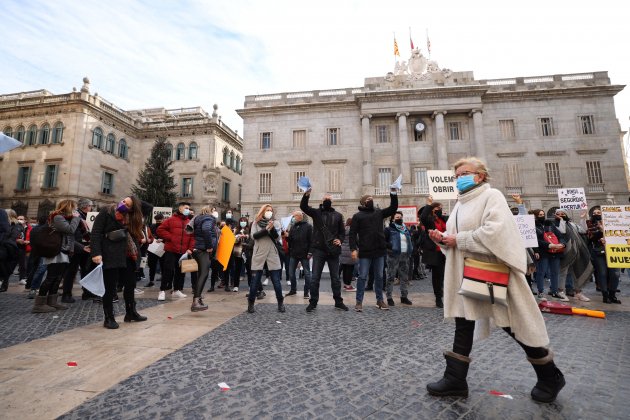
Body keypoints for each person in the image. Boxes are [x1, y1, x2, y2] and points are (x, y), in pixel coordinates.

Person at [426, 157, 565, 404]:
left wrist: (460, 240)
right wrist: (442, 237)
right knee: (464, 320)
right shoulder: (459, 204)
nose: (459, 178)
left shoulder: (492, 197)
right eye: (456, 175)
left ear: (480, 175)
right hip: (465, 272)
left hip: (492, 271)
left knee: (511, 323)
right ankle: (455, 379)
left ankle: (549, 375)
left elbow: (496, 232)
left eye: (464, 173)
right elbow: (457, 236)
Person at [91, 196, 148, 329]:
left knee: (130, 284)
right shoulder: (107, 211)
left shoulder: (133, 218)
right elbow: (96, 232)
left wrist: (135, 201)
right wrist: (96, 253)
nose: (123, 204)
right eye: (123, 201)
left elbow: (148, 207)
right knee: (110, 287)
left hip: (128, 254)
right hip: (110, 253)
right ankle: (109, 317)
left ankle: (131, 313)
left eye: (127, 204)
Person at [349, 188, 398, 312]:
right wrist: (353, 248)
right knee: (362, 276)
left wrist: (393, 193)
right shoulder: (357, 216)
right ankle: (359, 302)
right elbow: (352, 234)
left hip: (379, 250)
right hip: (365, 251)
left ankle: (380, 300)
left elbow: (393, 208)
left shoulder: (379, 213)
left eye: (372, 199)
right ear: (363, 202)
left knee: (380, 276)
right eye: (368, 199)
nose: (371, 200)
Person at [300, 190, 348, 312]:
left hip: (333, 250)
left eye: (329, 199)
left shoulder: (338, 215)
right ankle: (313, 302)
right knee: (315, 277)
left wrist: (340, 240)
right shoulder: (316, 213)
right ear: (322, 201)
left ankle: (338, 301)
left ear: (332, 202)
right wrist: (306, 195)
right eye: (325, 198)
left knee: (335, 278)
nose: (327, 200)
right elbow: (303, 207)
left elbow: (342, 232)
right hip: (319, 250)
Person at [31, 201, 81, 313]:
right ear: (68, 207)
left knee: (58, 277)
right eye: (74, 208)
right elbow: (70, 230)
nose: (75, 211)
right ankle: (39, 304)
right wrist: (76, 218)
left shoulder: (64, 218)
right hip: (56, 251)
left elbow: (69, 235)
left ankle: (52, 302)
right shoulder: (57, 217)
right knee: (51, 278)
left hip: (63, 251)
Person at [247, 204, 285, 314]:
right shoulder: (256, 222)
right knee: (255, 281)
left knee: (276, 281)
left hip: (272, 253)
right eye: (267, 210)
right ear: (263, 212)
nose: (269, 212)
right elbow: (254, 236)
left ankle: (280, 303)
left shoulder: (275, 222)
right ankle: (251, 303)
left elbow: (277, 237)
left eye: (271, 210)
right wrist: (266, 229)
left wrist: (272, 229)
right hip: (259, 252)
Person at [157, 202, 194, 300]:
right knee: (168, 270)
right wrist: (171, 237)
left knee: (181, 272)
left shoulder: (189, 222)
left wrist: (190, 249)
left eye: (189, 208)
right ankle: (162, 290)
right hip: (171, 249)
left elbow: (192, 237)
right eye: (186, 208)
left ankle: (177, 290)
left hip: (184, 251)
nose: (188, 210)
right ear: (180, 208)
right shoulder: (170, 220)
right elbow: (160, 230)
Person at [587, 207, 621, 304]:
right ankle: (605, 295)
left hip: (613, 251)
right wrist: (601, 231)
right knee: (602, 273)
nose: (596, 214)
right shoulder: (591, 224)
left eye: (598, 212)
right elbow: (591, 237)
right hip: (599, 252)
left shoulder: (613, 222)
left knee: (615, 274)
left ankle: (612, 294)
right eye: (594, 213)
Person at [61, 198, 93, 303]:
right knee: (71, 271)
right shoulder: (75, 215)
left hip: (86, 247)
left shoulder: (87, 216)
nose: (91, 208)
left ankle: (87, 292)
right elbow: (72, 232)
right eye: (90, 206)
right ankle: (66, 294)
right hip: (75, 247)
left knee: (86, 270)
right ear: (85, 206)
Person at [420, 197, 447, 308]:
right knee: (437, 275)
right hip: (436, 251)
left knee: (445, 275)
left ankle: (445, 294)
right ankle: (438, 297)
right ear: (433, 209)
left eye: (441, 208)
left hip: (446, 251)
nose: (440, 210)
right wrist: (429, 204)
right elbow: (423, 217)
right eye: (437, 208)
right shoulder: (430, 220)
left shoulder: (444, 219)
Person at [534, 209, 567, 299]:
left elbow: (560, 235)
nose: (542, 216)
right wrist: (549, 245)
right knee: (541, 272)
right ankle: (540, 292)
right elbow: (536, 240)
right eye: (540, 214)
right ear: (535, 216)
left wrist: (562, 244)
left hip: (555, 251)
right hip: (543, 252)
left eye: (543, 214)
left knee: (555, 272)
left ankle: (554, 291)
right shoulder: (533, 225)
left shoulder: (550, 224)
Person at [190, 206, 217, 311]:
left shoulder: (198, 218)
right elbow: (206, 230)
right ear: (211, 211)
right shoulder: (208, 218)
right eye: (214, 211)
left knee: (201, 274)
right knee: (204, 274)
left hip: (197, 248)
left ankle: (198, 298)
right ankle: (196, 301)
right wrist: (209, 246)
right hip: (203, 250)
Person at [384, 211, 413, 306]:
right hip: (393, 255)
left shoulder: (405, 229)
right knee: (391, 276)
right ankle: (389, 297)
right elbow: (383, 241)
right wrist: (391, 246)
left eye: (400, 217)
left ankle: (404, 296)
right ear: (393, 219)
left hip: (405, 255)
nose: (399, 218)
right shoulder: (389, 229)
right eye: (397, 217)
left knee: (404, 277)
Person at [285, 211, 312, 299]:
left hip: (305, 254)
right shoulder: (293, 227)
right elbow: (290, 240)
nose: (293, 218)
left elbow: (311, 240)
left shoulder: (308, 226)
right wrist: (286, 236)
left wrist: (310, 252)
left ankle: (306, 292)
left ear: (299, 216)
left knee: (307, 273)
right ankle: (293, 290)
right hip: (294, 253)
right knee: (291, 273)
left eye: (294, 216)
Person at [146, 213, 165, 288]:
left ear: (163, 219)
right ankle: (151, 281)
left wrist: (163, 239)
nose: (158, 222)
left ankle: (162, 280)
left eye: (160, 220)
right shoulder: (152, 226)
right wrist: (152, 239)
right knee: (152, 265)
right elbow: (150, 235)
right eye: (157, 220)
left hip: (162, 248)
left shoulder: (165, 226)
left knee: (162, 265)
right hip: (153, 248)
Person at [339, 218, 357, 292]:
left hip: (343, 251)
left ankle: (345, 284)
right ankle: (348, 285)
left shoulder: (343, 229)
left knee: (345, 269)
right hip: (350, 251)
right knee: (350, 269)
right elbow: (357, 240)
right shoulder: (353, 230)